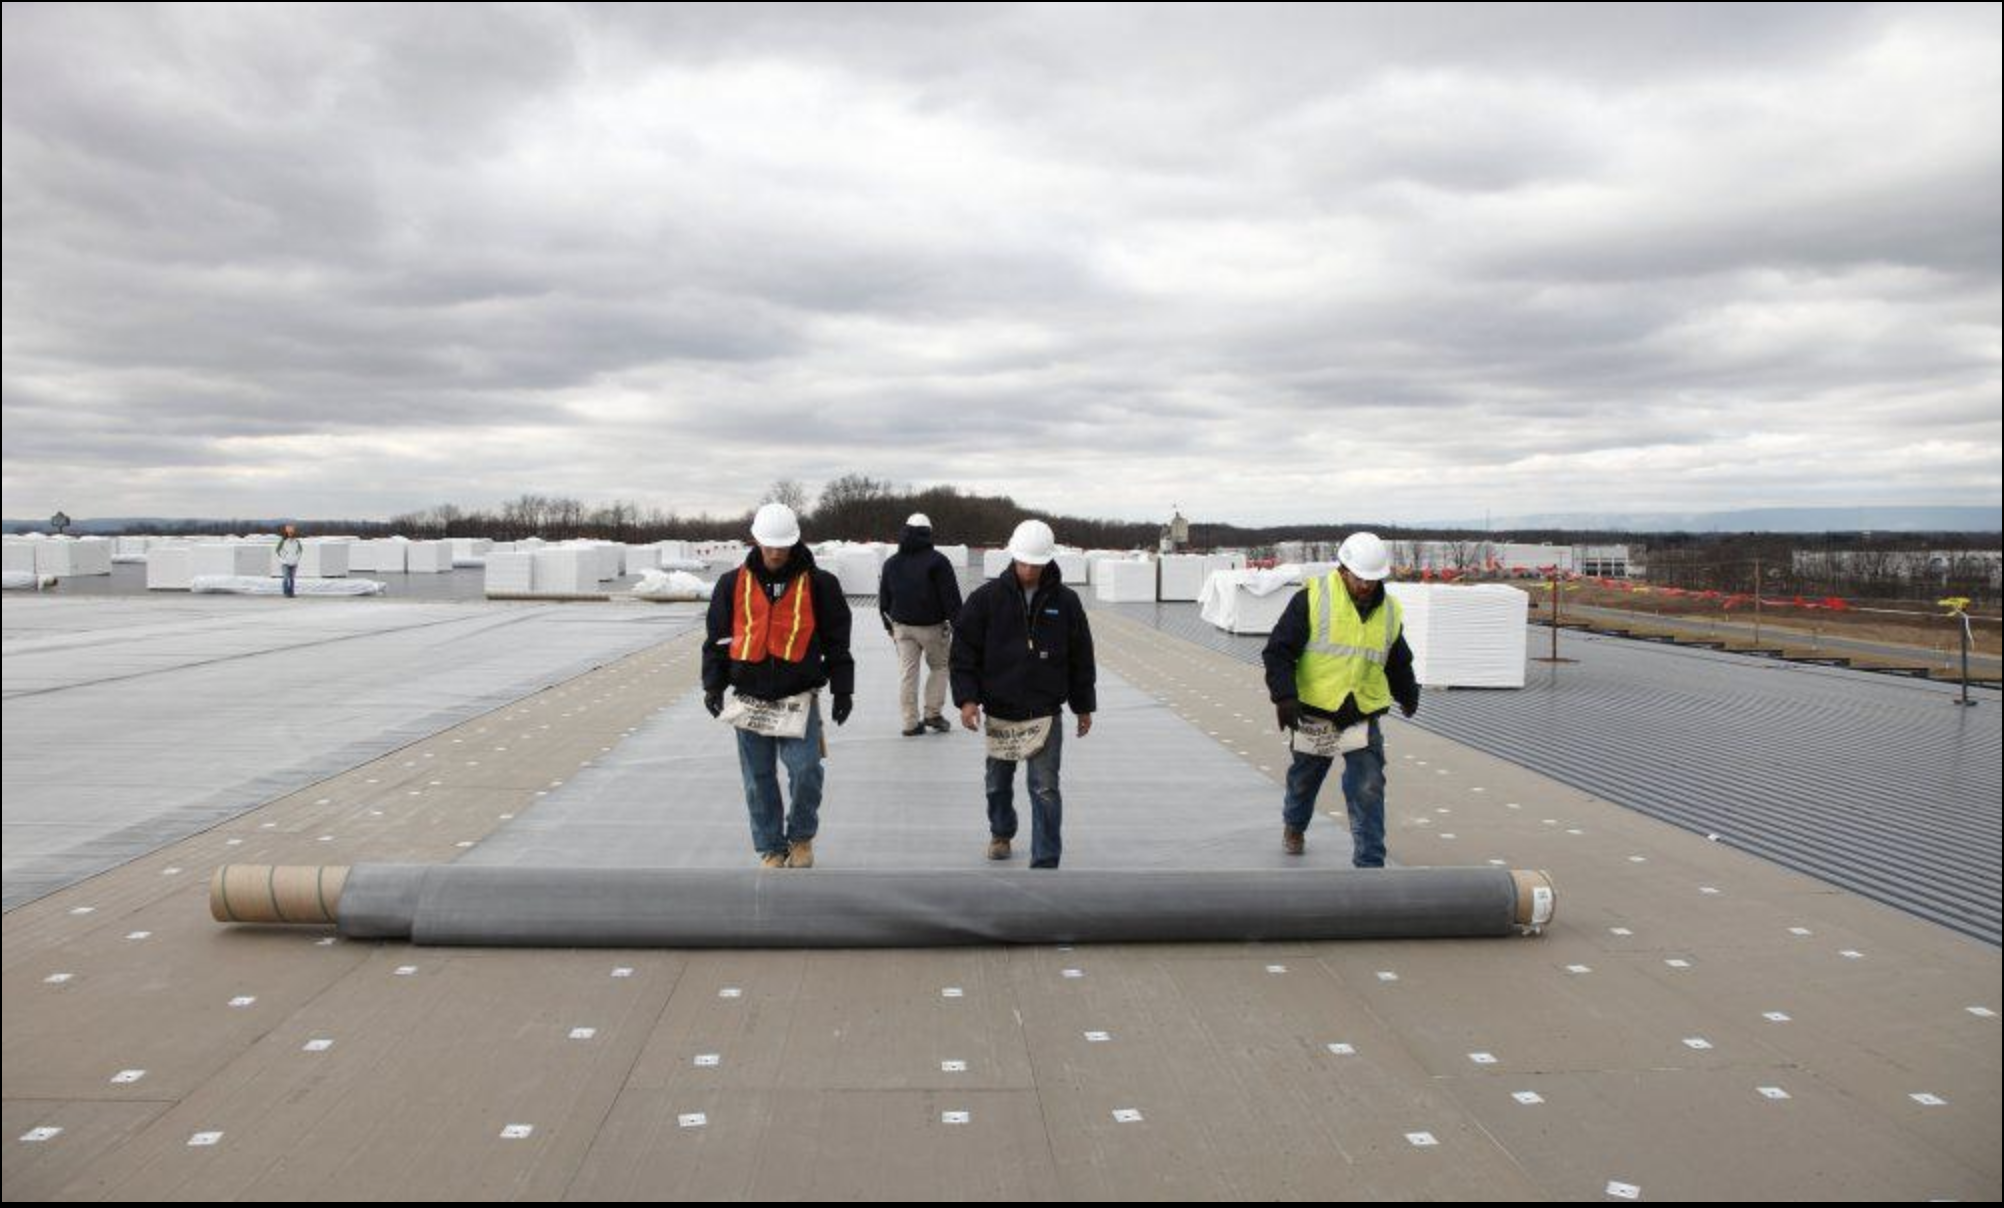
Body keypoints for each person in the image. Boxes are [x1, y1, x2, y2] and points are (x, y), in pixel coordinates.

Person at [701, 502, 855, 869]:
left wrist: (843, 689)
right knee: (758, 779)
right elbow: (718, 640)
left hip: (797, 697)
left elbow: (837, 642)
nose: (774, 552)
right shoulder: (731, 584)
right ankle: (771, 847)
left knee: (806, 771)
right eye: (768, 544)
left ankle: (800, 837)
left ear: (795, 542)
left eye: (781, 545)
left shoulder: (821, 585)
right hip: (750, 698)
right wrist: (713, 685)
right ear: (755, 540)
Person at [1260, 531, 1419, 866]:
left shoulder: (1388, 611)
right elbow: (1278, 652)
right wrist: (1285, 697)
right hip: (1316, 713)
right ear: (1343, 569)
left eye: (1372, 580)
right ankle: (1294, 825)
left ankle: (1370, 864)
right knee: (1304, 781)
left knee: (1368, 787)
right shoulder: (1312, 598)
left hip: (1361, 712)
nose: (1366, 586)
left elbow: (1397, 658)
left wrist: (1407, 691)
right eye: (1360, 578)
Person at [950, 519, 1095, 868]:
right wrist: (968, 699)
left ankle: (1045, 859)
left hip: (1045, 711)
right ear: (1013, 557)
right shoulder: (986, 600)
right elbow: (964, 652)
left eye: (1036, 564)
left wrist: (1083, 706)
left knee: (1045, 788)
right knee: (997, 784)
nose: (1029, 570)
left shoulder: (1067, 602)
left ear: (1048, 562)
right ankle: (1002, 830)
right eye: (1023, 562)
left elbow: (1081, 656)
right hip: (1001, 711)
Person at [878, 512, 964, 736]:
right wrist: (961, 627)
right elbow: (951, 599)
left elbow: (884, 600)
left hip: (902, 627)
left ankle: (909, 722)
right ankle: (932, 714)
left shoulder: (891, 563)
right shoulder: (938, 561)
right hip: (932, 627)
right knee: (940, 667)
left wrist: (889, 627)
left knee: (908, 673)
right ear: (929, 533)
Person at [275, 525, 303, 597]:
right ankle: (286, 593)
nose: (290, 533)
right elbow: (277, 551)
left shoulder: (296, 541)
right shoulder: (283, 541)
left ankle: (291, 593)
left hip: (294, 563)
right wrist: (282, 559)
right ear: (287, 533)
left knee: (292, 579)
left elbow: (300, 551)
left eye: (292, 532)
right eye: (289, 532)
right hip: (285, 563)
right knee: (286, 578)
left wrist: (297, 558)